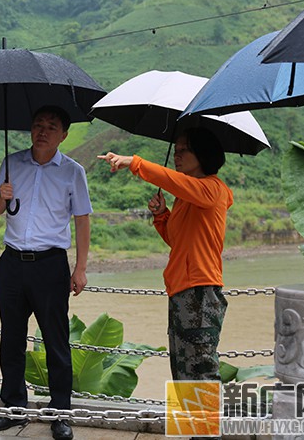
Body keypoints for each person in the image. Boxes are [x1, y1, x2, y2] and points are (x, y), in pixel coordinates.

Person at [0, 105, 91, 440]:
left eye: (51, 126)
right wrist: (1, 197)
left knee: (56, 341)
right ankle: (14, 408)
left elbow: (82, 219)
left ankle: (60, 413)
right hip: (13, 262)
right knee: (11, 339)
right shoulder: (11, 163)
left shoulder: (73, 171)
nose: (42, 131)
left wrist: (81, 268)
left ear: (64, 134)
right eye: (37, 125)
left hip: (50, 265)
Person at [98, 127, 231, 388]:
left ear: (203, 154)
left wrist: (133, 162)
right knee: (183, 369)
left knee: (200, 369)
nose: (177, 155)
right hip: (182, 290)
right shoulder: (187, 198)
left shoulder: (213, 189)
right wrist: (162, 216)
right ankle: (192, 430)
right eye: (177, 150)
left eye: (185, 150)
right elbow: (178, 241)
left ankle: (206, 431)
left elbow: (172, 180)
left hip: (200, 291)